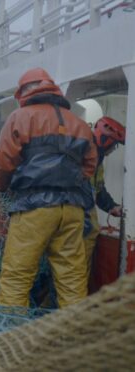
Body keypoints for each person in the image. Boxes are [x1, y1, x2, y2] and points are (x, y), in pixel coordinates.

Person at [0, 67, 97, 309]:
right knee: (72, 280)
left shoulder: (20, 118)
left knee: (17, 277)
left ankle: (10, 341)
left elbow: (3, 163)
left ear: (24, 92)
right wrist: (66, 181)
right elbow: (89, 166)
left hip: (33, 209)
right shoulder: (79, 123)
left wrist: (1, 187)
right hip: (72, 211)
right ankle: (74, 340)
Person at [84, 116, 125, 277]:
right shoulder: (85, 154)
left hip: (82, 221)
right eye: (114, 144)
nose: (112, 149)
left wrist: (111, 206)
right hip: (78, 223)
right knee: (75, 271)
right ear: (105, 140)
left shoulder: (97, 160)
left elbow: (98, 190)